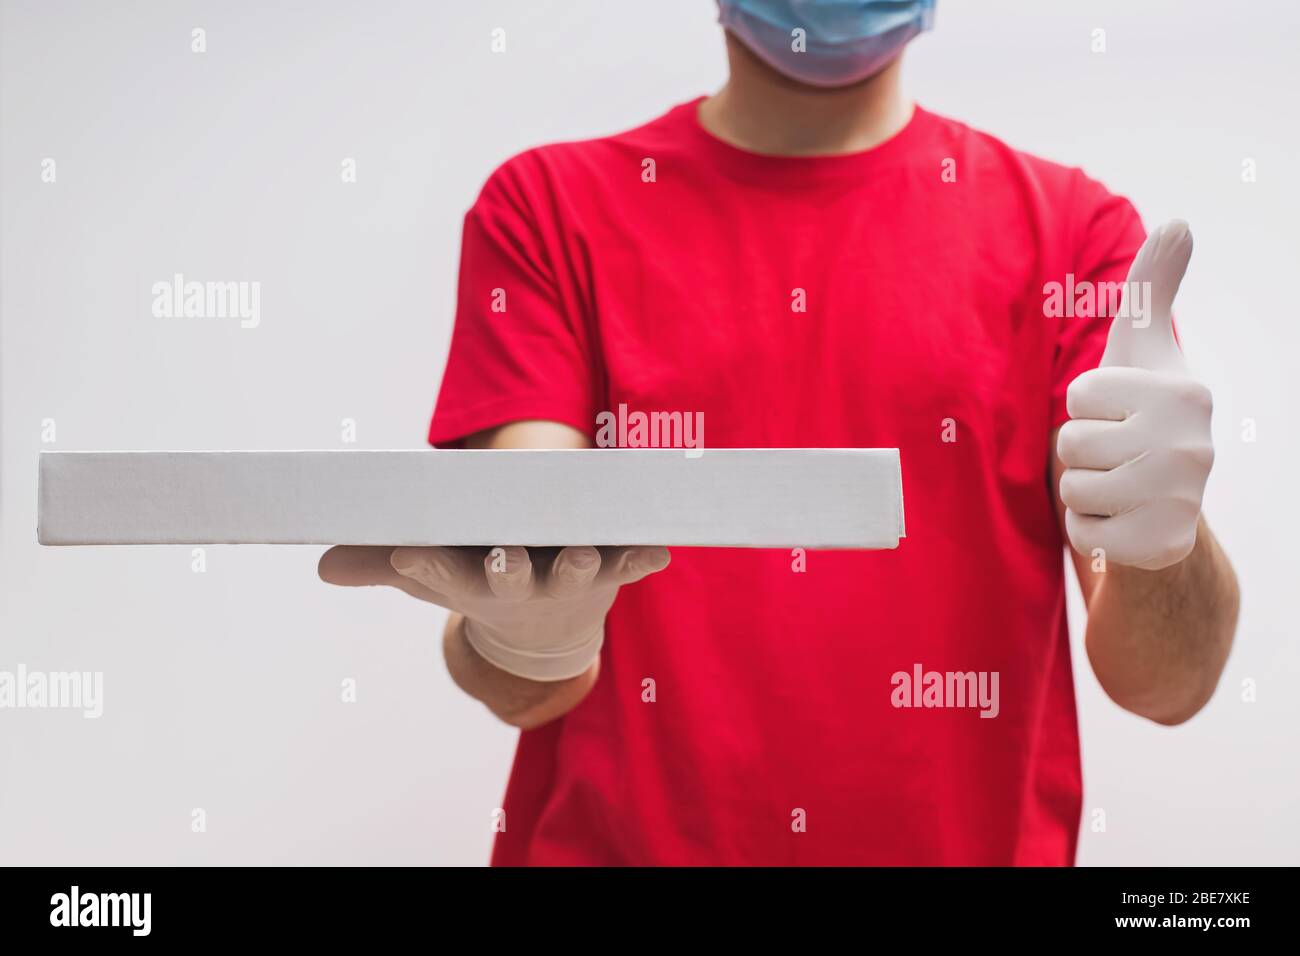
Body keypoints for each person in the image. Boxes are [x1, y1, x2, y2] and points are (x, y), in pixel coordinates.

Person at [318, 0, 1239, 865]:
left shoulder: (1074, 241)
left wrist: (1166, 545)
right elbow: (531, 673)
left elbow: (1165, 685)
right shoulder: (548, 212)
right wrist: (529, 634)